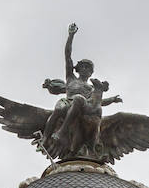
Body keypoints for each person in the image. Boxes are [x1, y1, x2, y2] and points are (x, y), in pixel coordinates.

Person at [40, 24, 121, 156]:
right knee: (59, 108)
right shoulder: (71, 78)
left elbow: (97, 102)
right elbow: (67, 55)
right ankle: (45, 138)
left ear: (91, 73)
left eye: (88, 68)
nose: (85, 69)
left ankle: (62, 132)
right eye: (83, 67)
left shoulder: (90, 88)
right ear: (78, 69)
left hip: (81, 107)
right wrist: (71, 36)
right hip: (67, 103)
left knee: (80, 99)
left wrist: (112, 99)